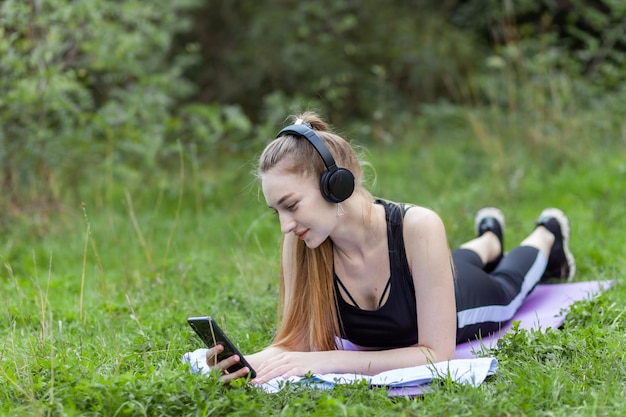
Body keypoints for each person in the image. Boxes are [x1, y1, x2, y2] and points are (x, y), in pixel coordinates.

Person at [205, 111, 576, 384]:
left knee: (507, 284)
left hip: (465, 300)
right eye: (277, 212)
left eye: (292, 205)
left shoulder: (419, 226)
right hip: (433, 272)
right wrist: (248, 361)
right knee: (461, 258)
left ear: (335, 185)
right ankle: (490, 237)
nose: (286, 225)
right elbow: (297, 343)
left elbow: (435, 354)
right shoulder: (301, 240)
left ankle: (547, 234)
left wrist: (327, 362)